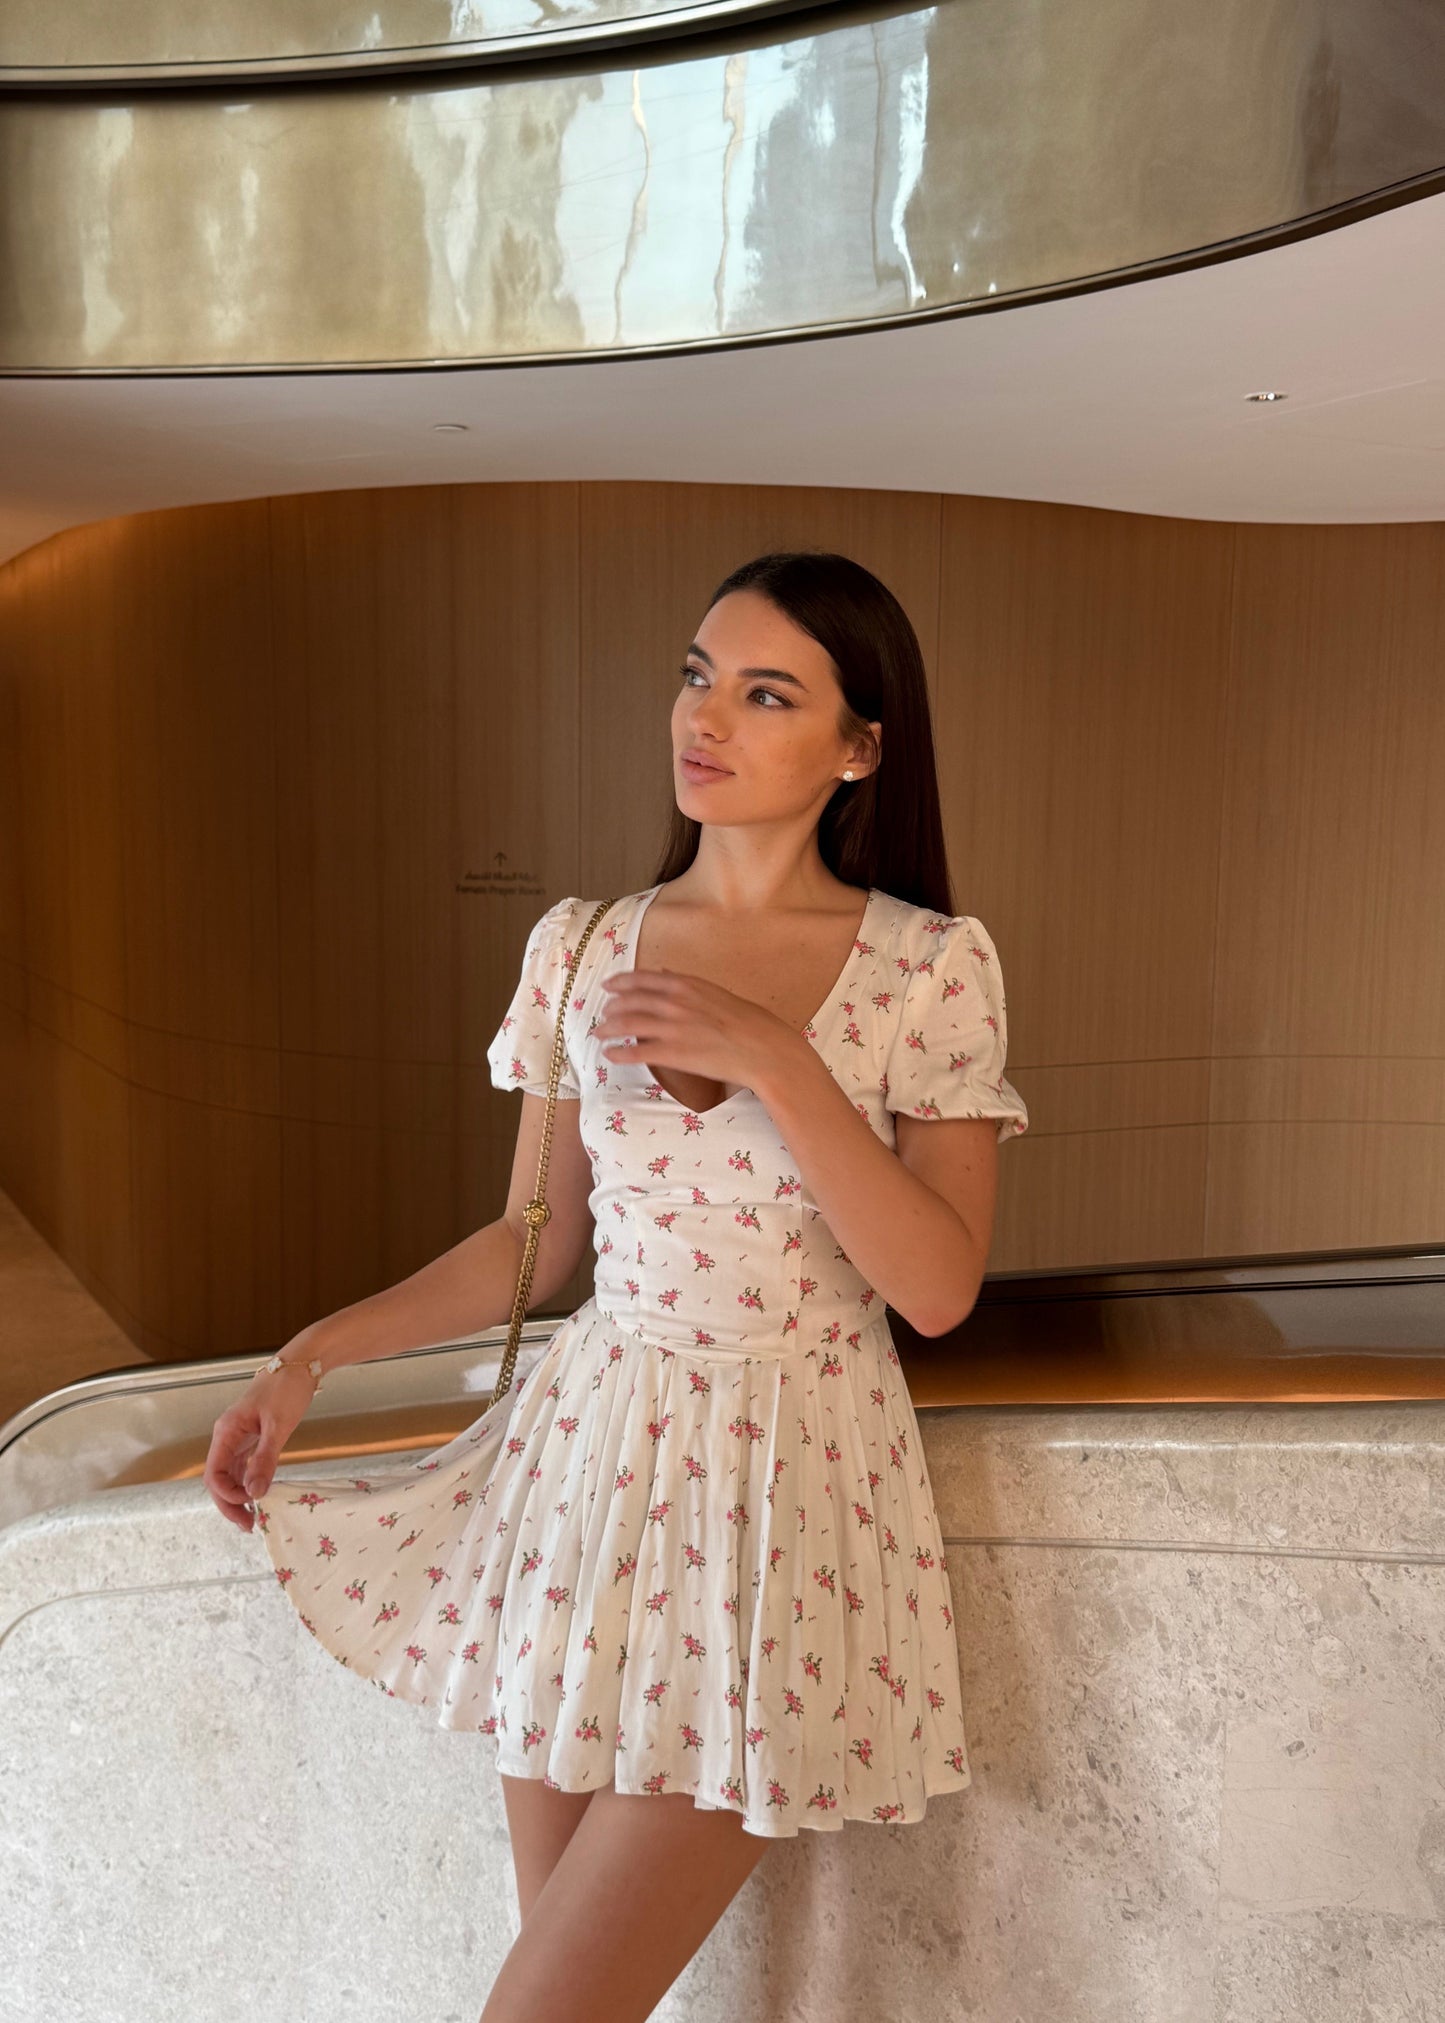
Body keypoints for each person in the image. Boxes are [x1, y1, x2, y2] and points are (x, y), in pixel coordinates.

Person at [205, 548, 1029, 2023]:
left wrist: (774, 1057)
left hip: (785, 1496)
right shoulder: (582, 942)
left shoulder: (927, 965)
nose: (703, 717)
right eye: (695, 674)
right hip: (585, 1478)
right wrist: (305, 1357)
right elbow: (531, 1240)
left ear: (860, 747)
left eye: (764, 692)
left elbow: (936, 1286)